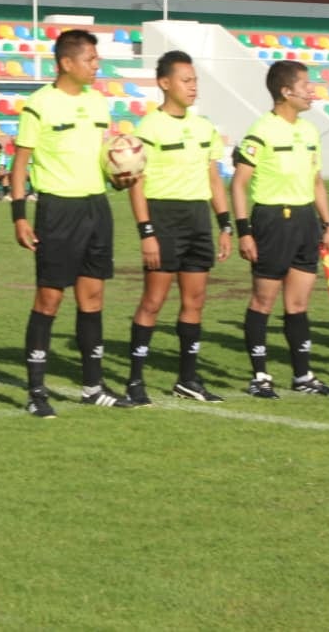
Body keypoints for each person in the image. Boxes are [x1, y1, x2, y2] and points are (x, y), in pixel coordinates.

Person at [12, 28, 137, 417]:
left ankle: (93, 387)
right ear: (67, 63)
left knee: (93, 298)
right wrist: (19, 215)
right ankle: (36, 391)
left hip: (96, 207)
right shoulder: (39, 105)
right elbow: (20, 164)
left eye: (97, 59)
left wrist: (119, 176)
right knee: (49, 298)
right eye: (90, 59)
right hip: (58, 210)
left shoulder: (98, 102)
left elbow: (102, 156)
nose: (97, 65)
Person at [126, 50, 233, 404]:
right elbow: (137, 183)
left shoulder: (204, 128)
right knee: (153, 301)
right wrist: (146, 232)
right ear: (164, 83)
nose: (193, 86)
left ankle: (187, 380)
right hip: (164, 218)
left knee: (195, 301)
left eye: (195, 80)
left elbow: (214, 179)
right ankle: (135, 382)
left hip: (198, 219)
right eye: (186, 80)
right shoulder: (148, 128)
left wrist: (225, 225)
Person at [231, 59, 329, 399]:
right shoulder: (261, 130)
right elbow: (239, 184)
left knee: (298, 303)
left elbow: (317, 182)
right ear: (286, 91)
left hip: (306, 221)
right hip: (272, 221)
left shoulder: (310, 132)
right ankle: (260, 376)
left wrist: (328, 224)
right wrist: (244, 230)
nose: (312, 91)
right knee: (263, 300)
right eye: (305, 85)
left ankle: (302, 375)